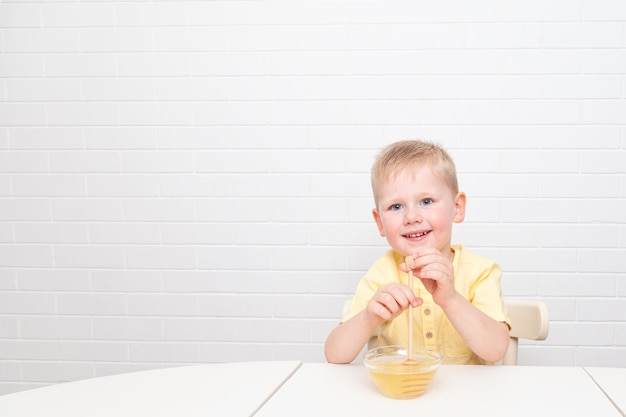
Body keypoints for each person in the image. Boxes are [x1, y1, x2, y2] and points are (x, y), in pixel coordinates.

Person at [324, 140, 510, 365]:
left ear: (457, 207)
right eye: (396, 207)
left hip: (466, 397)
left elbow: (496, 349)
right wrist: (367, 318)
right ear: (379, 222)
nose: (411, 217)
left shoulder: (479, 271)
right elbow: (334, 355)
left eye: (426, 201)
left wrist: (450, 298)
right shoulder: (381, 273)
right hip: (400, 396)